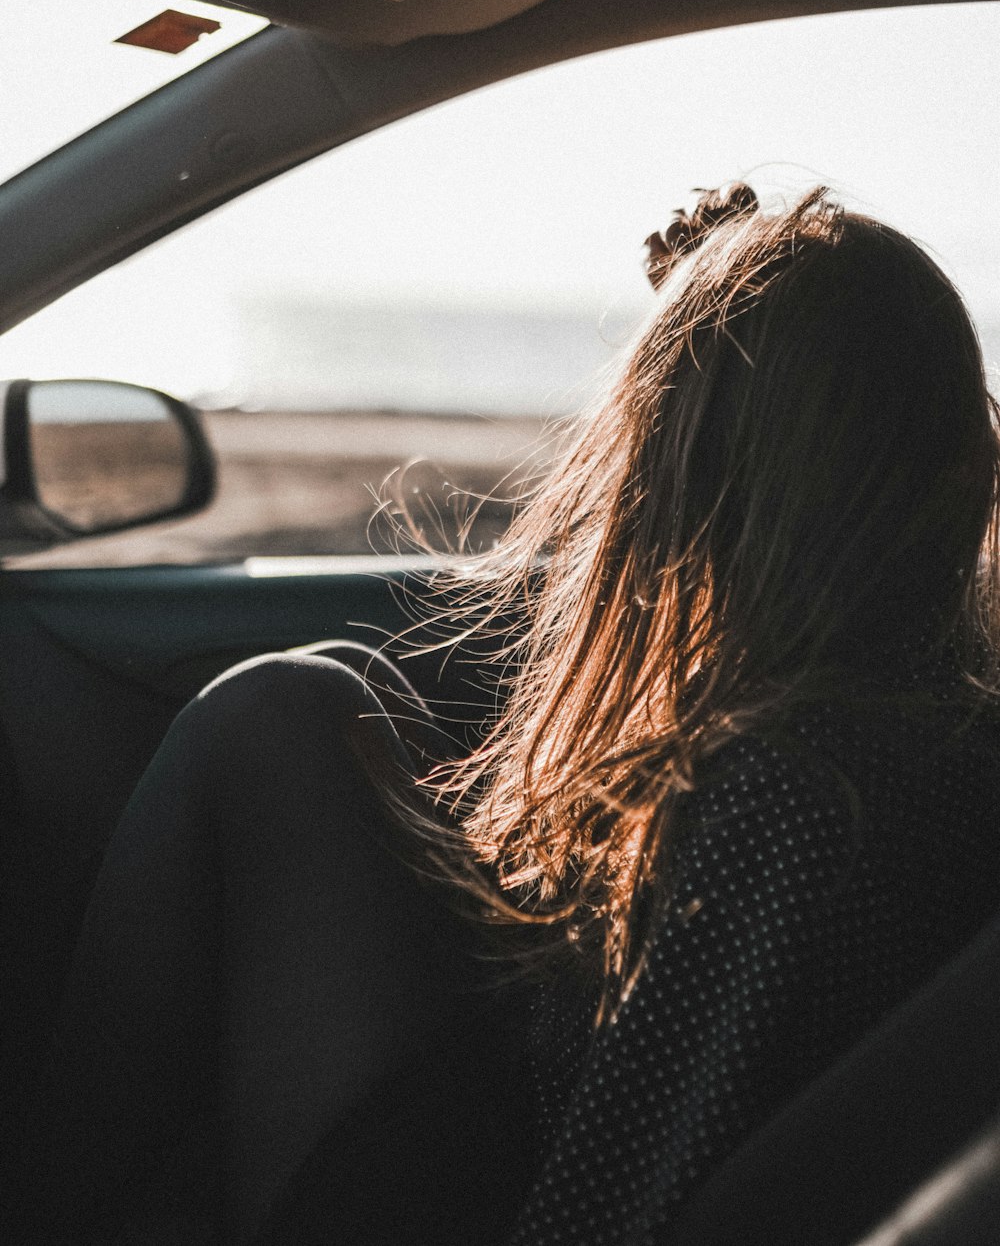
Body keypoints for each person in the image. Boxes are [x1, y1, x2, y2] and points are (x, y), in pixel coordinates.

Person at [12, 184, 1000, 1246]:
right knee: (333, 694)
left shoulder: (793, 790)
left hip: (514, 1196)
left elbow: (620, 1189)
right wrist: (714, 317)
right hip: (522, 1110)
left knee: (276, 715)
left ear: (680, 468)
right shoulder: (916, 721)